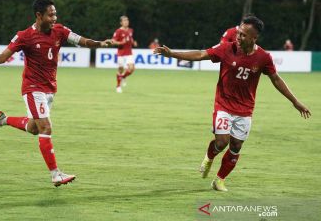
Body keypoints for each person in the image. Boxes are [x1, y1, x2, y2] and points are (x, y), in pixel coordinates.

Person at [154, 15, 311, 192]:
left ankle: (219, 180)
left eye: (243, 35)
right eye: (238, 33)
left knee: (236, 146)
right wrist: (172, 53)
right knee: (221, 142)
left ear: (254, 38)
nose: (238, 37)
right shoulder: (226, 49)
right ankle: (209, 156)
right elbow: (201, 54)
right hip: (224, 105)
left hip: (245, 110)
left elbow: (276, 79)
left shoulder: (263, 57)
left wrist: (295, 102)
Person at [0, 0, 112, 187]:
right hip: (32, 88)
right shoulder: (24, 36)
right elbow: (4, 56)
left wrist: (100, 44)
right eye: (50, 14)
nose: (54, 17)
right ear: (39, 15)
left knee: (35, 128)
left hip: (49, 89)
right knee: (46, 127)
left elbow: (81, 40)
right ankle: (56, 175)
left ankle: (3, 119)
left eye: (55, 13)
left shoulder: (60, 31)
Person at [112, 15, 138, 93]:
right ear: (121, 22)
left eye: (127, 20)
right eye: (124, 20)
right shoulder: (118, 31)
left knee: (132, 68)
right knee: (120, 69)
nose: (126, 22)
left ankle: (122, 77)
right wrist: (121, 42)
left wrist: (133, 42)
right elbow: (113, 41)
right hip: (121, 53)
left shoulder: (130, 30)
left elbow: (130, 38)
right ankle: (118, 86)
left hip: (129, 53)